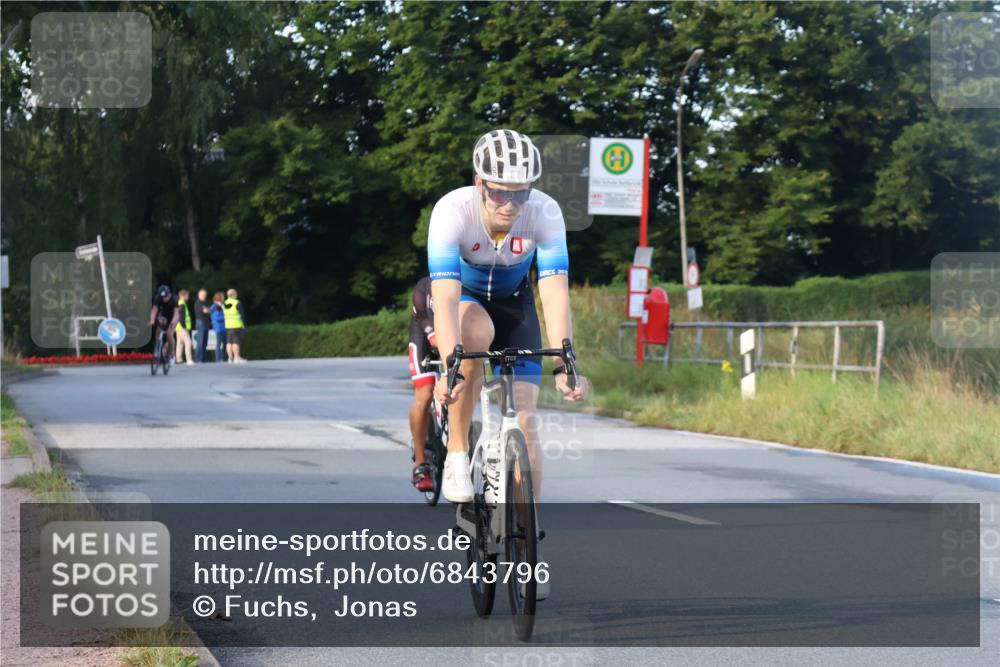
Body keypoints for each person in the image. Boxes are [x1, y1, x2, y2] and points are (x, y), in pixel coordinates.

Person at [428, 129, 589, 599]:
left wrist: (563, 355)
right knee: (473, 339)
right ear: (479, 182)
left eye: (521, 192)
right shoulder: (451, 211)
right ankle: (458, 450)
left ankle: (528, 548)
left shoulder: (545, 212)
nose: (510, 203)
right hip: (468, 303)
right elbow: (444, 292)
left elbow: (554, 286)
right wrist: (451, 368)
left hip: (517, 308)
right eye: (500, 191)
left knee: (527, 419)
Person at [407, 276, 438, 492]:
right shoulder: (425, 286)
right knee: (425, 393)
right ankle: (420, 462)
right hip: (423, 332)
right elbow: (420, 311)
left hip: (453, 336)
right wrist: (432, 333)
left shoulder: (473, 283)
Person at [148, 284, 180, 357]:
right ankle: (157, 345)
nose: (164, 299)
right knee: (159, 328)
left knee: (169, 333)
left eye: (166, 297)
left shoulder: (174, 299)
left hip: (174, 316)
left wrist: (172, 323)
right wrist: (152, 319)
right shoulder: (158, 298)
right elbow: (154, 310)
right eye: (162, 297)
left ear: (169, 294)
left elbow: (176, 314)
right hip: (164, 315)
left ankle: (172, 353)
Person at [223, 288, 247, 363]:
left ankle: (230, 358)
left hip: (227, 325)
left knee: (229, 342)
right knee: (235, 342)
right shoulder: (237, 302)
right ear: (234, 294)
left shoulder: (224, 303)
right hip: (236, 325)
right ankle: (236, 357)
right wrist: (244, 324)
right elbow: (242, 314)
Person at [174, 289, 195, 365]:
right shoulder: (182, 304)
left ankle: (179, 359)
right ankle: (189, 359)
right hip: (182, 327)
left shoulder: (180, 303)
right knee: (188, 342)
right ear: (183, 296)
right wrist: (184, 325)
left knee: (180, 343)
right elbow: (181, 316)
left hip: (178, 327)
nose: (188, 297)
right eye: (187, 295)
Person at [194, 288, 211, 363]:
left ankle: (203, 358)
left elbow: (208, 310)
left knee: (205, 342)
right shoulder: (198, 303)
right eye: (203, 295)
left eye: (205, 295)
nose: (204, 296)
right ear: (199, 295)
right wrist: (208, 310)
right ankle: (198, 359)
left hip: (205, 322)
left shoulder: (204, 303)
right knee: (200, 342)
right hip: (200, 323)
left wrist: (208, 310)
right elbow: (206, 311)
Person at [210, 291, 228, 362]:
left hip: (224, 327)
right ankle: (218, 359)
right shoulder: (214, 306)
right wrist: (225, 316)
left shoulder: (222, 305)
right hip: (219, 327)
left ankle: (225, 358)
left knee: (225, 343)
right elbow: (215, 317)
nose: (224, 298)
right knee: (219, 343)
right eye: (223, 296)